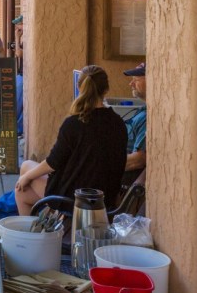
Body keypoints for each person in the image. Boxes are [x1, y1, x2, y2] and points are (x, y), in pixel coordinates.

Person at [13, 65, 127, 215]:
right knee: (23, 189)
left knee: (25, 173)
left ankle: (34, 234)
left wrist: (27, 177)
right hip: (105, 198)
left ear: (79, 88)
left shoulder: (74, 123)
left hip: (73, 199)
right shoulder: (118, 123)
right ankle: (47, 222)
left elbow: (53, 163)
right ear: (106, 90)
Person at [121, 62, 147, 185]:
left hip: (123, 180)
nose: (131, 84)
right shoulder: (142, 110)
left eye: (136, 79)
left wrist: (104, 164)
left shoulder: (148, 117)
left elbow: (139, 159)